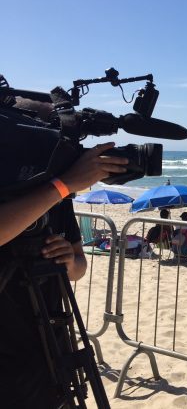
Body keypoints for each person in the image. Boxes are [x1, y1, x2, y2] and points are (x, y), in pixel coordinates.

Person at [0, 128, 129, 407]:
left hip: (50, 342)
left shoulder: (58, 198)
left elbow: (79, 269)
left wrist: (69, 261)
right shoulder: (55, 189)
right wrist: (63, 184)